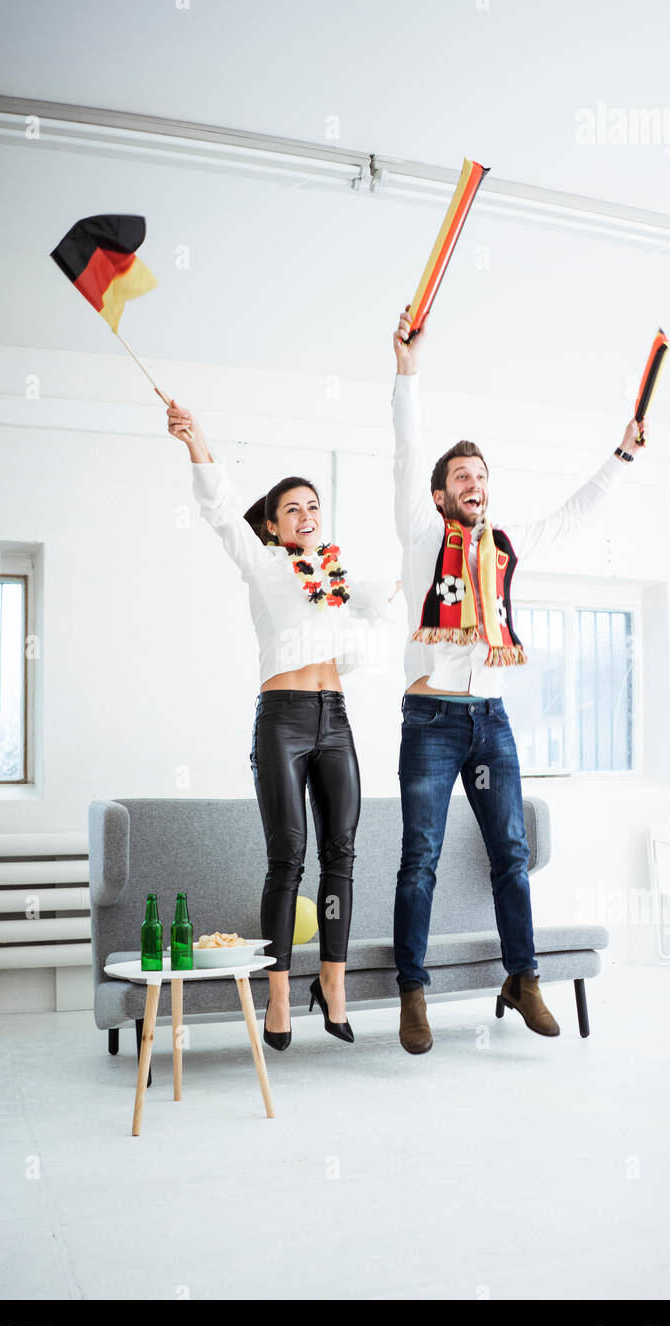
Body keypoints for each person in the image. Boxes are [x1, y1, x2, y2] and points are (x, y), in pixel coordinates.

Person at [390, 306, 648, 1053]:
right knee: (420, 858)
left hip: (491, 720)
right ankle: (414, 991)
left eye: (481, 476)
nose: (474, 484)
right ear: (440, 494)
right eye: (461, 477)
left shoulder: (504, 544)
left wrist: (621, 457)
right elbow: (406, 450)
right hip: (431, 723)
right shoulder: (417, 533)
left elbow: (573, 515)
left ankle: (522, 976)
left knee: (509, 850)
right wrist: (406, 372)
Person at [167, 399, 392, 1050]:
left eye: (313, 506)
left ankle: (333, 982)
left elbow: (368, 635)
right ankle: (278, 994)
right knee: (286, 857)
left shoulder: (336, 583)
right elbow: (218, 508)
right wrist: (197, 440)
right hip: (283, 720)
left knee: (342, 855)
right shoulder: (263, 564)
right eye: (292, 507)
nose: (306, 515)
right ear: (271, 524)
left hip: (335, 718)